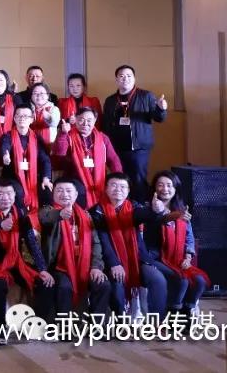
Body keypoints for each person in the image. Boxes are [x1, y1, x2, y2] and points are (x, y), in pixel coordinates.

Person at [0, 178, 55, 347]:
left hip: (16, 261)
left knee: (45, 282)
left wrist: (42, 268)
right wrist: (0, 224)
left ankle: (38, 325)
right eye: (0, 194)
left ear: (14, 195)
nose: (5, 197)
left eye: (9, 193)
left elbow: (31, 242)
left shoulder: (20, 213)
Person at [88, 173, 163, 316]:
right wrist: (114, 263)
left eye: (123, 187)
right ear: (106, 188)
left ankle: (157, 320)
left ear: (128, 191)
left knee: (157, 279)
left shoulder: (133, 207)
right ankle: (121, 321)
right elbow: (103, 240)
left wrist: (155, 210)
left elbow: (143, 215)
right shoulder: (96, 211)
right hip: (108, 261)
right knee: (117, 286)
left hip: (137, 259)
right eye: (113, 185)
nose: (118, 189)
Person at [37, 178, 110, 321]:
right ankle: (65, 327)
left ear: (76, 194)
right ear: (53, 194)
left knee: (103, 284)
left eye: (68, 191)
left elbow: (96, 243)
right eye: (59, 190)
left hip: (85, 266)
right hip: (59, 267)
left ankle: (97, 326)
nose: (64, 194)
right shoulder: (48, 210)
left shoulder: (86, 216)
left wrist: (96, 267)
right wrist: (60, 215)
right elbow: (45, 218)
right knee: (64, 287)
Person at [141, 171, 208, 320]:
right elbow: (158, 221)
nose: (165, 189)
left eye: (169, 185)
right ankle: (172, 313)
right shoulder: (147, 209)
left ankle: (187, 312)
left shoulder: (182, 210)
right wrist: (163, 213)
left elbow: (189, 237)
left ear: (175, 189)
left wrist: (188, 257)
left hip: (177, 257)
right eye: (160, 185)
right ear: (154, 188)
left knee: (199, 281)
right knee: (181, 279)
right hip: (155, 257)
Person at [101, 65, 167, 201]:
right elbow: (106, 124)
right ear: (116, 80)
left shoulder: (146, 96)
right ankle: (122, 207)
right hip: (117, 148)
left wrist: (161, 109)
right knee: (119, 180)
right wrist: (106, 146)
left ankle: (139, 206)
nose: (125, 79)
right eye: (121, 76)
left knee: (138, 179)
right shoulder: (110, 100)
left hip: (139, 148)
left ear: (134, 78)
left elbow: (159, 118)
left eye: (128, 76)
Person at [52, 107, 123, 206]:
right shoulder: (69, 136)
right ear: (76, 119)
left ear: (95, 120)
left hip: (99, 178)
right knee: (80, 191)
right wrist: (63, 133)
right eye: (81, 120)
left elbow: (113, 159)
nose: (85, 123)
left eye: (89, 120)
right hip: (75, 177)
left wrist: (119, 177)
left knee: (115, 188)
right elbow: (59, 154)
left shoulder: (102, 138)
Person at [0, 105, 53, 214]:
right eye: (19, 116)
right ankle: (23, 220)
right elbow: (5, 146)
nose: (22, 118)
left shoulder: (36, 138)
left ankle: (45, 221)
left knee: (47, 191)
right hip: (13, 177)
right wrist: (5, 155)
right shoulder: (7, 136)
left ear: (31, 119)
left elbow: (45, 160)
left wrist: (46, 178)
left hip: (34, 177)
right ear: (14, 118)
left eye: (25, 116)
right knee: (19, 192)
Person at [27, 83, 61, 148]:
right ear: (31, 96)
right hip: (31, 145)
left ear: (47, 96)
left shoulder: (54, 109)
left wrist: (48, 117)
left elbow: (54, 123)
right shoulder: (28, 109)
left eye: (42, 93)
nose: (38, 96)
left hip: (49, 145)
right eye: (35, 93)